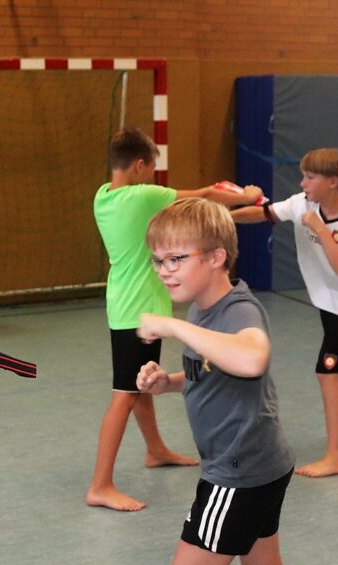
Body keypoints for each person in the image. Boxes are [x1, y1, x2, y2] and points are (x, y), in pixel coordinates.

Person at [136, 198, 334, 565]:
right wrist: (171, 382)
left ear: (217, 257)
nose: (165, 271)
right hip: (264, 464)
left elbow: (250, 360)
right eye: (159, 261)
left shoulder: (238, 309)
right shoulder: (207, 308)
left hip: (237, 474)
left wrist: (170, 325)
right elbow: (214, 367)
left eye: (176, 259)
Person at [88, 127, 264, 511]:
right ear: (139, 165)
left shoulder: (103, 196)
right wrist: (248, 195)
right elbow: (202, 197)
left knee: (138, 381)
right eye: (151, 167)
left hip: (123, 301)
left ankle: (155, 450)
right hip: (138, 308)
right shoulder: (142, 195)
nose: (152, 175)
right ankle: (100, 484)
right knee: (124, 395)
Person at [232, 148, 338, 478]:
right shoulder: (300, 203)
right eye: (303, 175)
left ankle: (336, 457)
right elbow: (263, 213)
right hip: (326, 302)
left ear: (333, 181)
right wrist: (226, 216)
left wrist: (319, 228)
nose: (302, 182)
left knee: (328, 369)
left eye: (310, 177)